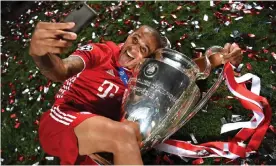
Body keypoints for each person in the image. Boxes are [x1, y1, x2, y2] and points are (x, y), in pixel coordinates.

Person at [29, 22, 242, 165]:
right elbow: (61, 70)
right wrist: (42, 55)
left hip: (97, 142)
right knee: (124, 134)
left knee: (130, 129)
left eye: (143, 49)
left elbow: (186, 69)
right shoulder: (102, 52)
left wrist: (222, 58)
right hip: (63, 120)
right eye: (135, 39)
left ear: (150, 61)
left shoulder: (145, 76)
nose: (134, 47)